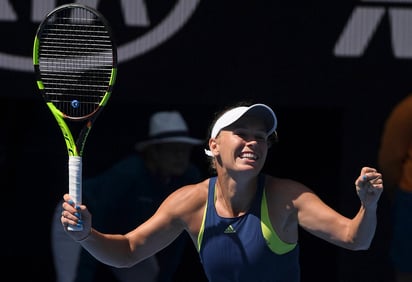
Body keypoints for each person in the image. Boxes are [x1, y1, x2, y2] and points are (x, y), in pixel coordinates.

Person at [60, 101, 383, 281]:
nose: (253, 142)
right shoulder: (190, 202)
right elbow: (128, 252)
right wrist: (87, 236)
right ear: (214, 145)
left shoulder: (288, 197)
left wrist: (368, 205)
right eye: (242, 133)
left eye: (261, 137)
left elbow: (356, 239)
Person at [51, 110, 204, 282]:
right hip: (77, 218)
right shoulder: (128, 175)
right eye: (173, 150)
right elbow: (96, 226)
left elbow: (177, 237)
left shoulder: (189, 178)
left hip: (124, 235)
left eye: (185, 150)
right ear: (154, 152)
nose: (181, 157)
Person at [378, 94, 412, 282]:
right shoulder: (408, 109)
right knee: (407, 266)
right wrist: (397, 191)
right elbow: (390, 159)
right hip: (410, 198)